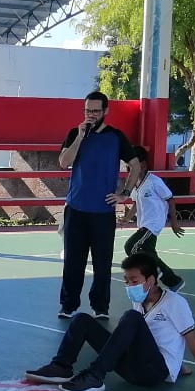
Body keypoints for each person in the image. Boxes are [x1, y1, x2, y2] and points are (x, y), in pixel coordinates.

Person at [22, 252, 195, 391]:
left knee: (131, 318)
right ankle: (61, 366)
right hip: (132, 366)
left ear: (151, 280)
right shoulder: (138, 300)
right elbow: (151, 337)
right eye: (126, 280)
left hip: (153, 374)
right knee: (81, 320)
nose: (128, 285)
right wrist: (181, 366)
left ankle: (95, 377)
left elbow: (191, 339)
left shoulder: (175, 303)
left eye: (134, 281)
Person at [56, 90, 135, 320]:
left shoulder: (116, 137)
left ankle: (100, 306)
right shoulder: (75, 133)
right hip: (76, 209)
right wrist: (81, 137)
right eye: (87, 110)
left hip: (102, 212)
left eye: (95, 111)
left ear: (105, 111)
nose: (91, 115)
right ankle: (68, 305)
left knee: (102, 264)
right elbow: (63, 162)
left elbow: (135, 165)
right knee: (73, 262)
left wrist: (124, 194)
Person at [114, 148, 185, 291]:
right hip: (143, 224)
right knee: (149, 253)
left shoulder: (154, 181)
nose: (130, 169)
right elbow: (135, 203)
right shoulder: (137, 183)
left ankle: (154, 270)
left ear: (144, 165)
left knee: (131, 247)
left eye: (133, 165)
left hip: (152, 225)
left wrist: (174, 223)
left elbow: (170, 200)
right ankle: (173, 281)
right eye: (128, 166)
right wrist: (127, 218)